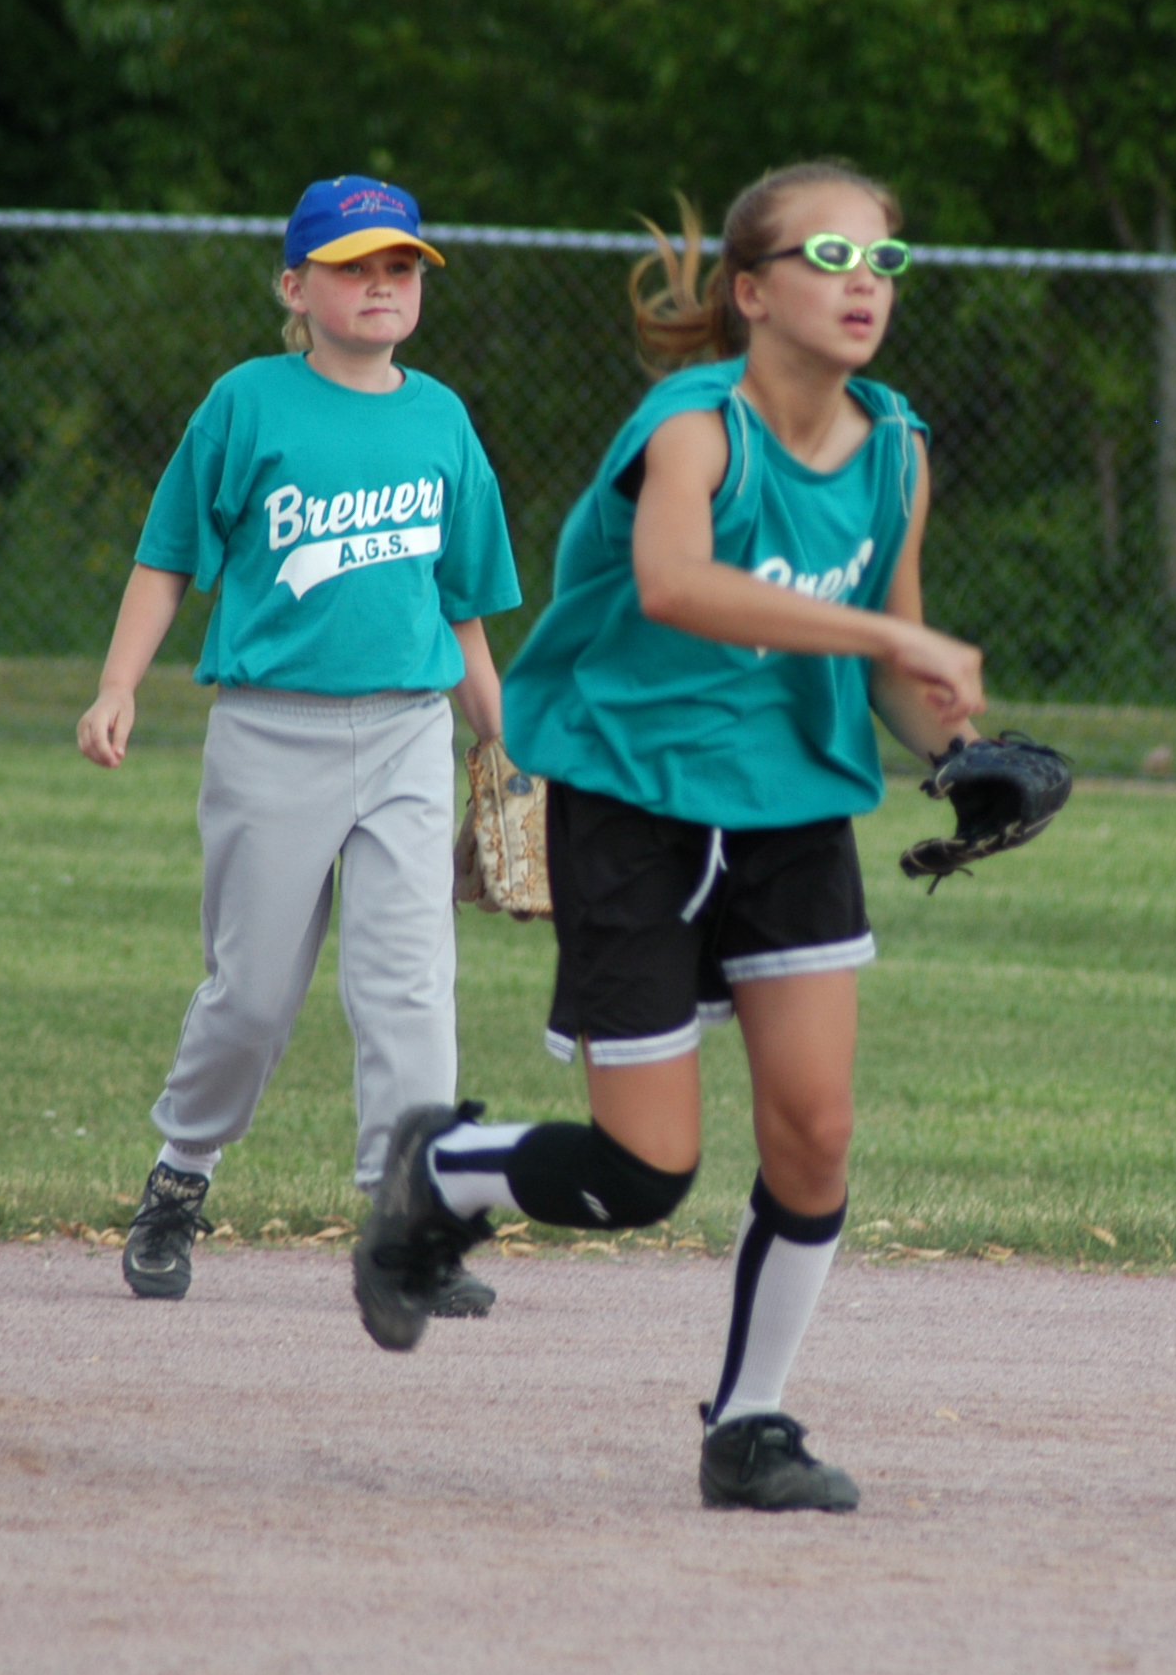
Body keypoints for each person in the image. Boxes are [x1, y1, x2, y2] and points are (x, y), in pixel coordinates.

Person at [351, 161, 985, 1512]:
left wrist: (961, 758)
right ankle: (440, 1170)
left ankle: (748, 1424)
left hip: (792, 811)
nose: (864, 282)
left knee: (815, 1133)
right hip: (635, 804)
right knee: (643, 1173)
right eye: (829, 256)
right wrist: (887, 633)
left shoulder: (894, 450)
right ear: (751, 292)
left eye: (883, 260)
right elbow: (676, 584)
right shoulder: (694, 428)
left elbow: (895, 665)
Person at [77, 176, 521, 1309]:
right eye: (352, 265)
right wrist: (118, 685)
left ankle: (407, 1227)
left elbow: (463, 605)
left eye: (400, 266)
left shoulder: (442, 419)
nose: (381, 284)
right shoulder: (247, 403)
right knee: (253, 993)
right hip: (272, 732)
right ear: (293, 285)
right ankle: (181, 1173)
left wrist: (504, 745)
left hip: (410, 729)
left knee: (410, 986)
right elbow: (169, 554)